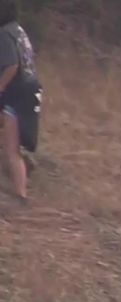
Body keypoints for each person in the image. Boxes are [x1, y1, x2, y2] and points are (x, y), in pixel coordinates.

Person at [0, 1, 41, 203]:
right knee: (13, 143)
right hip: (30, 87)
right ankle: (21, 166)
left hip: (17, 93)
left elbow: (11, 65)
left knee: (11, 148)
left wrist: (0, 87)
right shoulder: (17, 30)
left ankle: (20, 195)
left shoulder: (3, 33)